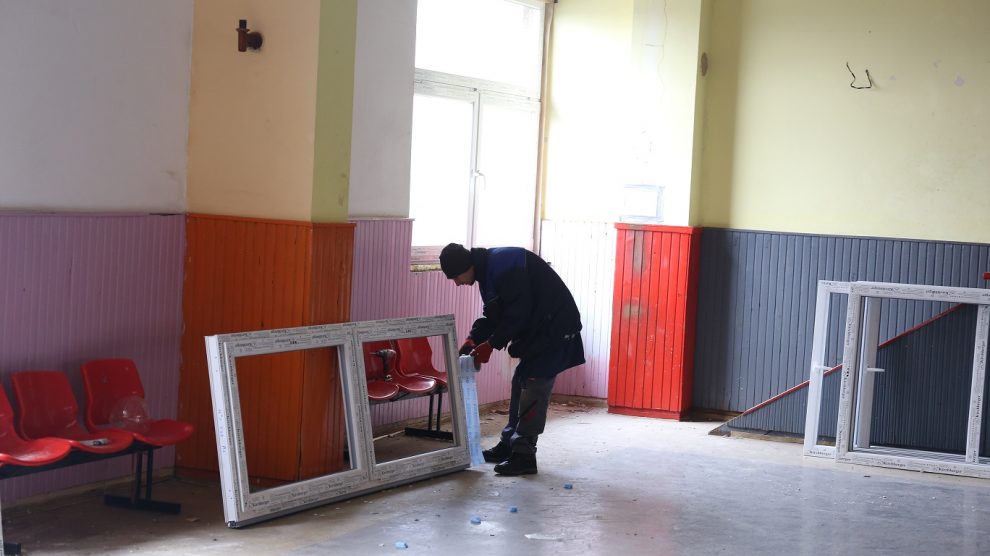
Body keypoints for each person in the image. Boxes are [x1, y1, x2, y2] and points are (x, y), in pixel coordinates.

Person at [439, 242, 584, 476]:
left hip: (555, 329)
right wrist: (474, 338)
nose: (457, 283)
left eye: (456, 277)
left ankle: (524, 455)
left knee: (533, 387)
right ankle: (509, 445)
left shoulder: (503, 267)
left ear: (466, 266)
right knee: (520, 381)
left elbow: (517, 314)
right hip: (540, 327)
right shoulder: (488, 270)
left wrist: (491, 345)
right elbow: (495, 314)